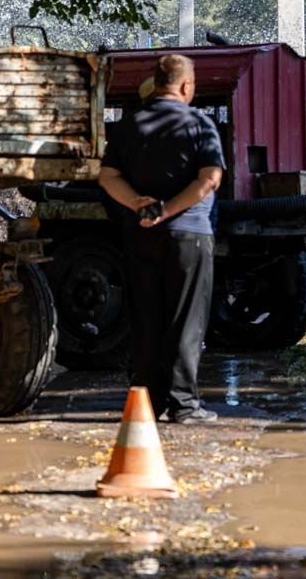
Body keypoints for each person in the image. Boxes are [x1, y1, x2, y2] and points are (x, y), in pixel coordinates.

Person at [98, 54, 225, 423]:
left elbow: (107, 177)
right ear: (186, 86)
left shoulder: (128, 125)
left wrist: (139, 205)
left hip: (140, 236)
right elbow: (209, 180)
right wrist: (168, 210)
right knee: (186, 321)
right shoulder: (199, 122)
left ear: (155, 84)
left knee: (145, 317)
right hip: (189, 235)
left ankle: (147, 403)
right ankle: (184, 405)